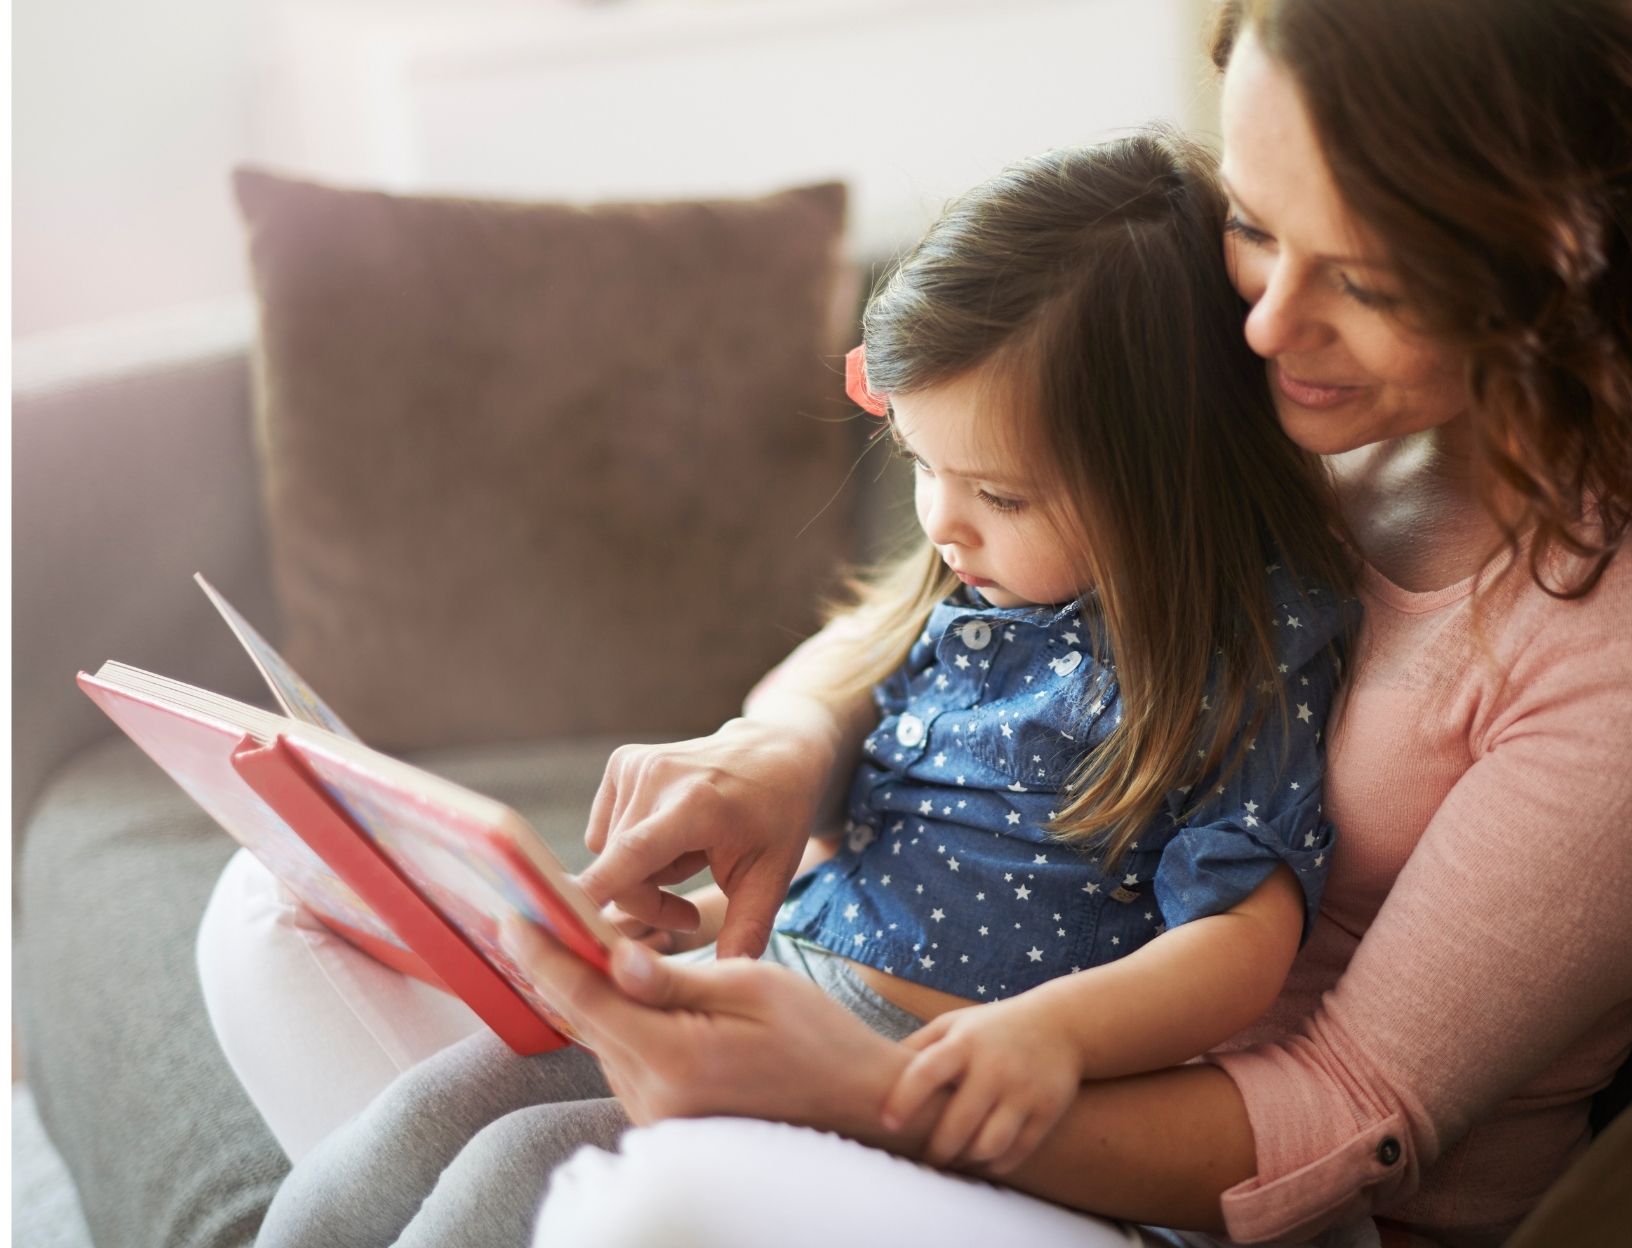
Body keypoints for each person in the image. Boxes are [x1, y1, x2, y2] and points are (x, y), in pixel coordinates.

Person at [199, 1, 1632, 1244]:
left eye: (1371, 279)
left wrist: (861, 1090)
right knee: (288, 931)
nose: (1266, 320)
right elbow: (950, 604)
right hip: (904, 1011)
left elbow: (1354, 1102)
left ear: (1567, 263)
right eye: (1257, 224)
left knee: (614, 1192)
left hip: (1186, 1171)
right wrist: (784, 748)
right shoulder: (1289, 396)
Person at [234, 129, 1362, 1248]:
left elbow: (1239, 948)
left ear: (1173, 477)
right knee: (445, 1104)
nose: (941, 522)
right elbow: (882, 863)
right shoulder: (979, 601)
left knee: (522, 1168)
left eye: (1001, 495)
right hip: (792, 985)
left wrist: (1053, 1038)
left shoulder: (1243, 655)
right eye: (922, 466)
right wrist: (677, 928)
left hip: (934, 1087)